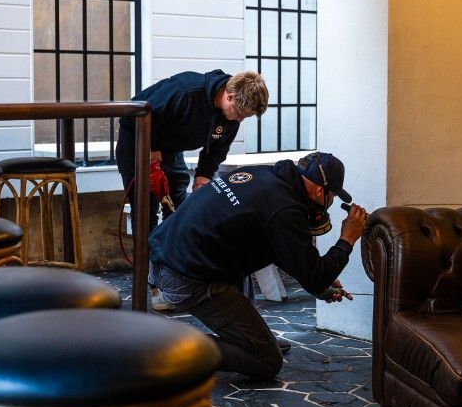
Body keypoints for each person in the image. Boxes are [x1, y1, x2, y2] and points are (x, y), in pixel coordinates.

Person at [148, 151, 369, 380]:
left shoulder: (265, 174)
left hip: (167, 255)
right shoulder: (286, 208)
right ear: (322, 191)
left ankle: (248, 341)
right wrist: (348, 239)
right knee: (267, 361)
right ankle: (172, 347)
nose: (330, 203)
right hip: (188, 277)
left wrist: (316, 280)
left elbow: (281, 249)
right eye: (332, 196)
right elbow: (315, 278)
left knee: (260, 341)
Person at [116, 70, 269, 231]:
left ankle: (169, 253)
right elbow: (145, 114)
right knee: (146, 209)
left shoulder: (230, 118)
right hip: (137, 140)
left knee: (179, 206)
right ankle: (145, 255)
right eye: (240, 114)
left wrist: (204, 176)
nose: (240, 120)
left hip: (171, 147)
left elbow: (217, 150)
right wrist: (152, 153)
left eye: (245, 117)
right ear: (230, 97)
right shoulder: (186, 91)